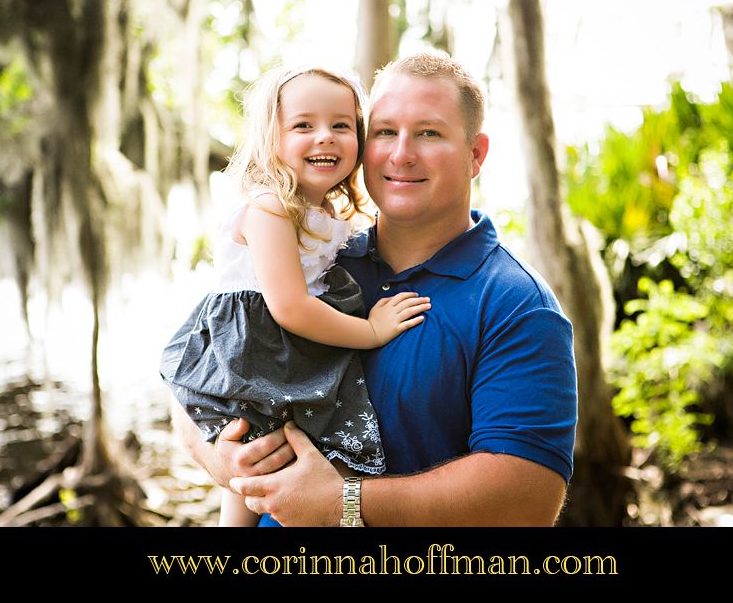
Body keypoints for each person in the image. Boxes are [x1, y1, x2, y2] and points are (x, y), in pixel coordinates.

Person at [171, 51, 578, 526]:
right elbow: (199, 367)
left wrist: (343, 504)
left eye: (428, 133)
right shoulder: (315, 258)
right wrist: (221, 458)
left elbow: (530, 499)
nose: (401, 154)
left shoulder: (516, 304)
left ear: (475, 154)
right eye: (384, 132)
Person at [160, 65, 431, 526]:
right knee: (254, 457)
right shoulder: (270, 207)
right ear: (272, 138)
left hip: (285, 347)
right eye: (303, 125)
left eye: (341, 125)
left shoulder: (322, 211)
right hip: (255, 347)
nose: (325, 137)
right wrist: (370, 331)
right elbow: (289, 306)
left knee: (283, 462)